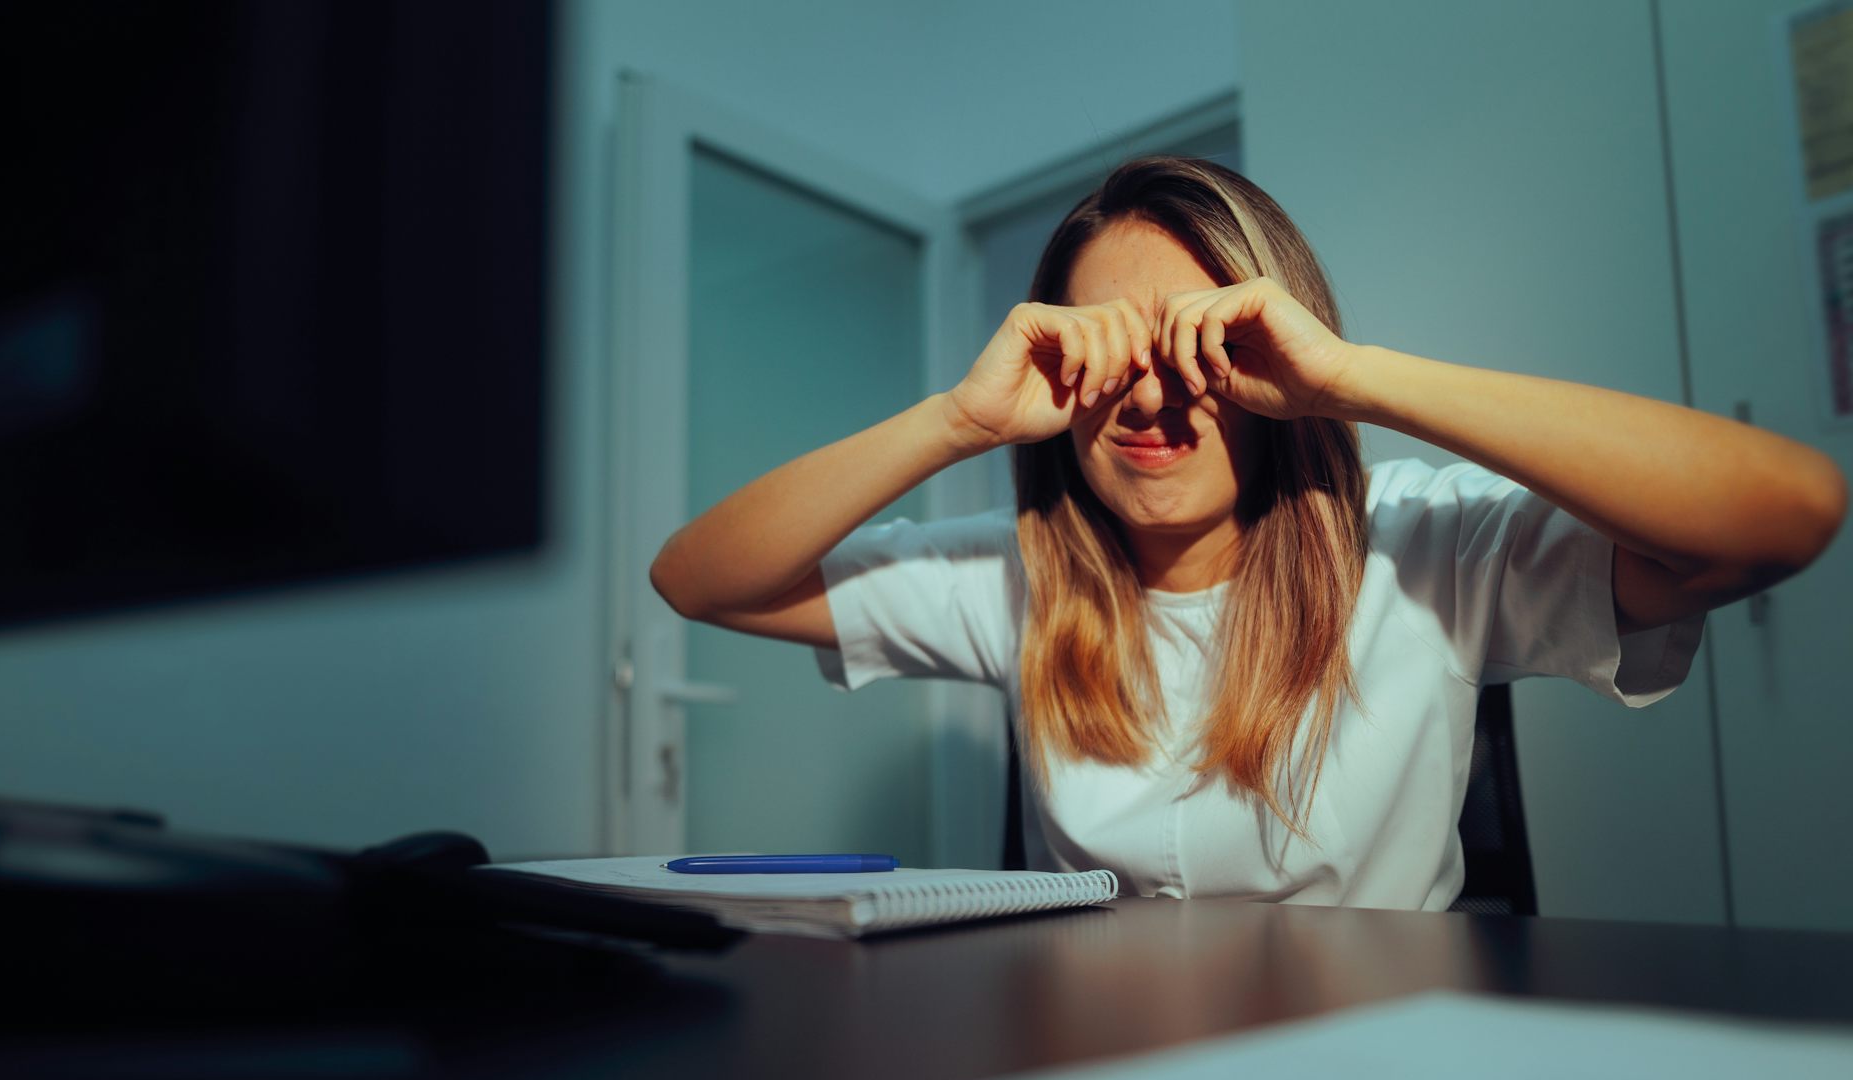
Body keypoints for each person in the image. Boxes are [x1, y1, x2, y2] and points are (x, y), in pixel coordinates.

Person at [648, 155, 1846, 910]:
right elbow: (699, 579)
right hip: (1100, 1074)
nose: (1154, 397)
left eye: (1196, 350)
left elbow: (1786, 513)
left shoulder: (1425, 553)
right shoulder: (1014, 577)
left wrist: (1357, 380)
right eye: (1110, 351)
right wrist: (959, 419)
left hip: (1374, 1077)